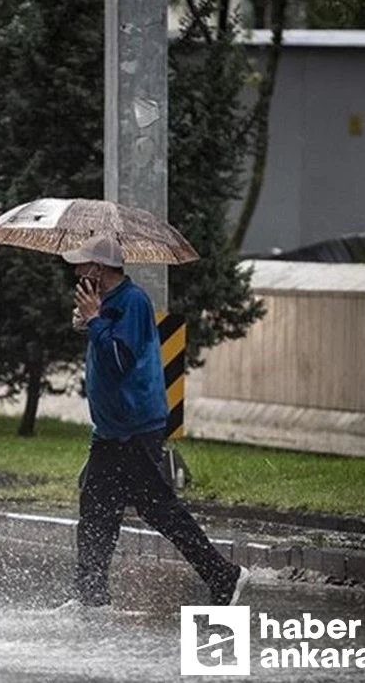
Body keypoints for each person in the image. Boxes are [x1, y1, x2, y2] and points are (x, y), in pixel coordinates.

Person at [60, 234, 247, 608]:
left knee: (158, 509)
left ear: (99, 268)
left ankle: (224, 575)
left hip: (135, 429)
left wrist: (95, 321)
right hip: (112, 430)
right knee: (97, 510)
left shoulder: (133, 302)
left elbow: (119, 360)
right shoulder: (108, 301)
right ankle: (91, 595)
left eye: (82, 264)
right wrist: (87, 321)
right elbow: (104, 344)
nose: (76, 270)